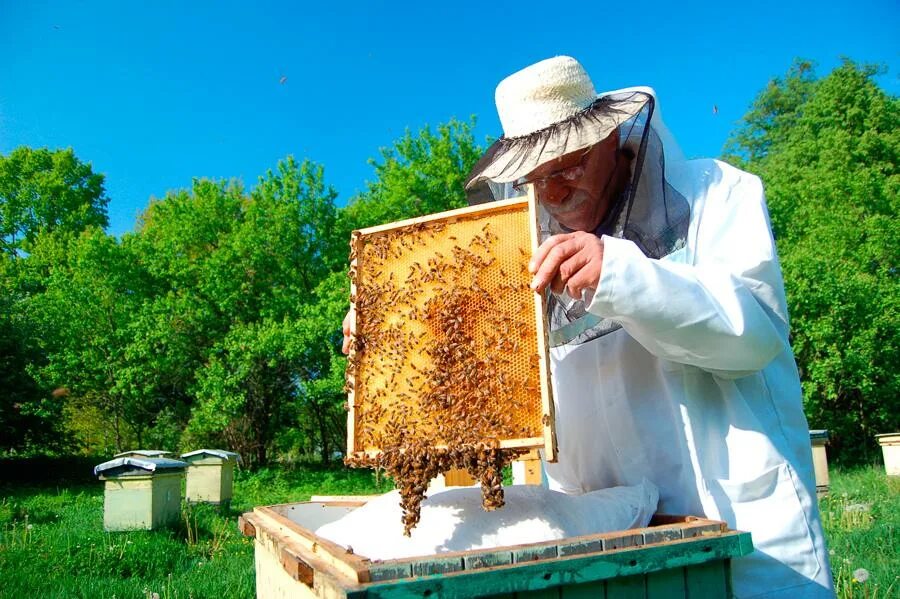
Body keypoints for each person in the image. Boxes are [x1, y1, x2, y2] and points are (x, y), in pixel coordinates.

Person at [345, 56, 834, 597]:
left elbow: (754, 336)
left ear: (611, 137)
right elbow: (465, 352)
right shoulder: (520, 247)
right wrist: (391, 332)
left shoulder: (717, 195)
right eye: (535, 177)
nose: (551, 194)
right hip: (605, 541)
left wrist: (621, 274)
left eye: (566, 167)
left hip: (740, 535)